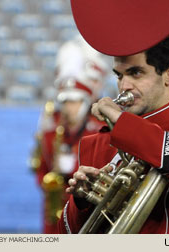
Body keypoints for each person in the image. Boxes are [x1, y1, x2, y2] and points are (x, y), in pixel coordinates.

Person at [58, 34, 169, 234]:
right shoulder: (99, 142)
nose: (124, 85)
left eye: (135, 73)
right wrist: (81, 202)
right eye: (119, 75)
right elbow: (69, 235)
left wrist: (123, 123)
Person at [34, 35, 110, 233]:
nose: (69, 108)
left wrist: (73, 166)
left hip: (84, 205)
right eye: (66, 102)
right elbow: (41, 164)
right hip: (55, 204)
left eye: (75, 102)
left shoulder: (98, 127)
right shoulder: (52, 129)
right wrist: (47, 181)